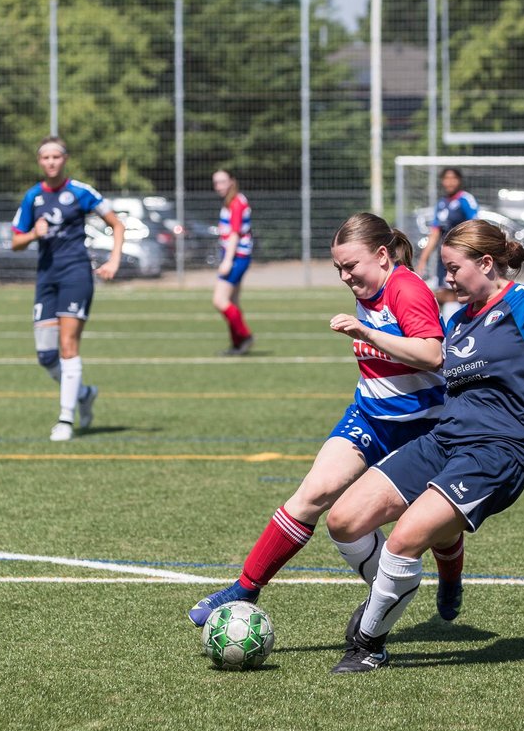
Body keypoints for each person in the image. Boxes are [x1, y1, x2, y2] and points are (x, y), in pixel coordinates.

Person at [327, 218, 524, 673]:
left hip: (496, 451)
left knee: (404, 540)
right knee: (343, 520)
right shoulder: (459, 319)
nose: (448, 279)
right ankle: (393, 591)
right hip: (444, 439)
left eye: (454, 269)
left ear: (487, 262)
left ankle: (368, 643)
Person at [187, 212, 464, 626]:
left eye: (351, 266)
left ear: (382, 255)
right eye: (338, 269)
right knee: (311, 496)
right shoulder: (369, 286)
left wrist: (365, 333)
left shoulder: (407, 289)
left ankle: (449, 578)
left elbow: (432, 354)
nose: (345, 277)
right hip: (370, 416)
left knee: (436, 528)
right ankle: (245, 587)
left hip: (423, 426)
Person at [10, 136, 124, 442]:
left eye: (56, 157)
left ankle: (65, 419)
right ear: (39, 162)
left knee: (68, 344)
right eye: (45, 157)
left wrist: (114, 260)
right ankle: (84, 394)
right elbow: (15, 242)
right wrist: (34, 232)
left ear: (65, 159)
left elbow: (117, 224)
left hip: (76, 274)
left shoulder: (80, 191)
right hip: (46, 277)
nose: (51, 162)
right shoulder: (32, 197)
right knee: (46, 356)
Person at [415, 167, 478, 321]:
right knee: (444, 294)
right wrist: (422, 261)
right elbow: (435, 233)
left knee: (452, 295)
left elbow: (475, 226)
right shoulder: (442, 203)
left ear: (459, 180)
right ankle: (449, 332)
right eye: (446, 178)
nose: (449, 182)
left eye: (453, 178)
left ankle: (455, 332)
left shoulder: (465, 200)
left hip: (461, 258)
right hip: (443, 260)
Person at [212, 169, 255, 356]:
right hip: (236, 256)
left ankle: (244, 336)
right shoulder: (232, 201)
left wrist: (227, 260)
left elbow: (235, 234)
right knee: (232, 302)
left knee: (219, 300)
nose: (218, 186)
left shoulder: (236, 203)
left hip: (237, 257)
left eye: (222, 182)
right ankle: (237, 344)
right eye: (216, 183)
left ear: (232, 181)